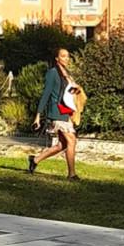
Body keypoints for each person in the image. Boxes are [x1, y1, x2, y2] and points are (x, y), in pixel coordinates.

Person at [28, 47, 81, 181]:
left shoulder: (67, 73)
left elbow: (67, 93)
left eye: (68, 56)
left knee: (62, 145)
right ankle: (72, 174)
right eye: (63, 56)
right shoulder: (52, 73)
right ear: (57, 58)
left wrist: (77, 92)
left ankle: (35, 160)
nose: (66, 58)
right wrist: (38, 115)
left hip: (66, 111)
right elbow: (46, 94)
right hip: (56, 111)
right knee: (71, 140)